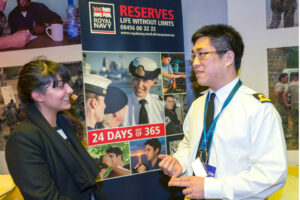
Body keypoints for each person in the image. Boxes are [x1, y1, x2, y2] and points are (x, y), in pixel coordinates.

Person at [159, 24, 287, 200]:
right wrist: (179, 162)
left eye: (202, 54)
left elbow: (271, 175)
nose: (195, 63)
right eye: (193, 56)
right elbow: (189, 145)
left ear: (228, 58)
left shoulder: (257, 109)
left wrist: (212, 188)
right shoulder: (198, 105)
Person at [5, 59, 105, 199]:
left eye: (67, 84)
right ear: (37, 95)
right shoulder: (23, 139)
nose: (69, 90)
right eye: (59, 86)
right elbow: (45, 197)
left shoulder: (65, 123)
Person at [123, 57, 164, 126]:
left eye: (145, 80)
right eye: (136, 79)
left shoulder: (161, 104)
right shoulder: (121, 105)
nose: (139, 85)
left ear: (153, 81)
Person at [284, 74, 298, 138]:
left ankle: (295, 136)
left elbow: (284, 94)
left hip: (294, 104)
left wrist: (286, 104)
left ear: (295, 77)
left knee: (295, 121)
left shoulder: (290, 85)